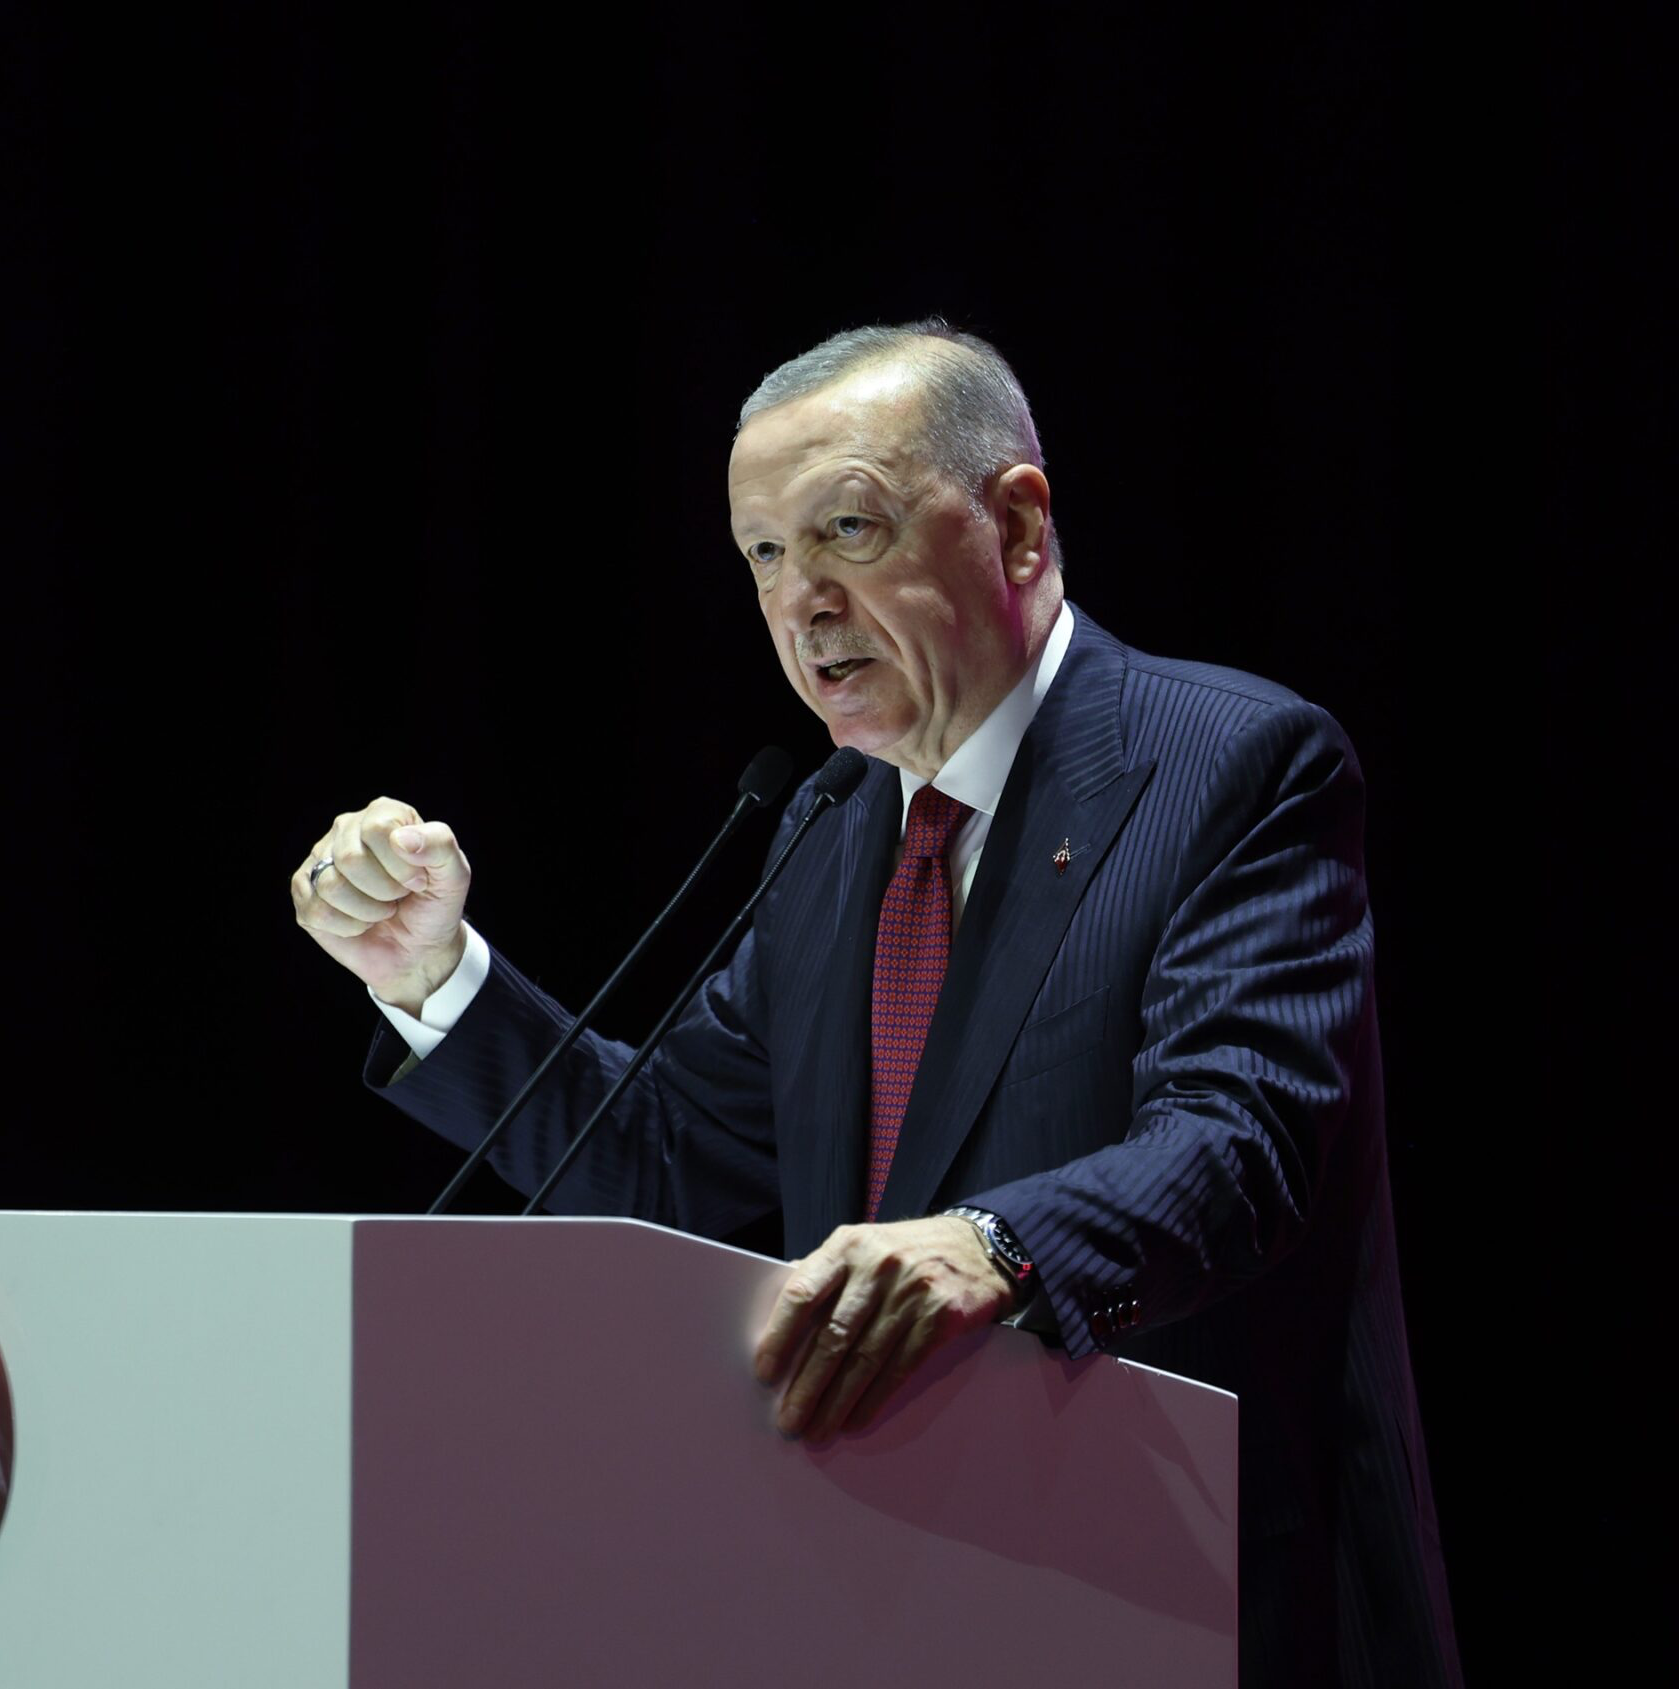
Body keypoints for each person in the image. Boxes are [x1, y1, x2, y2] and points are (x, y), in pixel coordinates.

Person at [288, 322, 1460, 1685]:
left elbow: (1242, 1143)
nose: (801, 602)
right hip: (909, 1610)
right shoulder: (835, 827)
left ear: (1017, 526)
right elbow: (665, 1154)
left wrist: (996, 1246)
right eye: (763, 555)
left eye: (848, 530)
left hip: (1206, 1603)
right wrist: (431, 974)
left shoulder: (1232, 766)